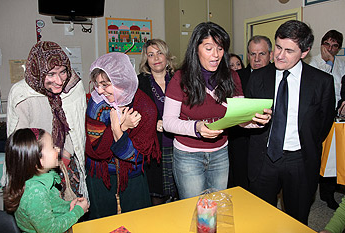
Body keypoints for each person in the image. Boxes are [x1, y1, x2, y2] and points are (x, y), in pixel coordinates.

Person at [163, 22, 271, 199]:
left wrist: (256, 120)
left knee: (218, 207)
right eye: (208, 48)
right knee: (193, 210)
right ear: (196, 49)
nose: (216, 55)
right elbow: (168, 122)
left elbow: (238, 117)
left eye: (220, 49)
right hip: (188, 155)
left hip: (220, 153)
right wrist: (197, 128)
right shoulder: (181, 78)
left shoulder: (231, 76)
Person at [245, 20, 335, 224]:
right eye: (278, 47)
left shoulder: (321, 82)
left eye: (288, 50)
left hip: (300, 161)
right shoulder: (257, 78)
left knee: (296, 219)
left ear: (304, 52)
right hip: (264, 159)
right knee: (260, 219)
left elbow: (323, 125)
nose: (279, 55)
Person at [4, 41, 88, 201]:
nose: (59, 80)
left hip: (67, 164)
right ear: (37, 71)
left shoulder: (72, 87)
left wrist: (65, 156)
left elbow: (75, 128)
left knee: (73, 214)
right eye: (50, 74)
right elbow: (21, 145)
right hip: (34, 170)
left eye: (63, 72)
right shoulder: (22, 95)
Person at [85, 52, 161, 219]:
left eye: (105, 84)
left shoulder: (145, 107)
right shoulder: (97, 103)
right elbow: (97, 150)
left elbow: (133, 156)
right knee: (102, 222)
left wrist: (118, 129)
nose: (99, 90)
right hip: (101, 174)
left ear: (122, 81)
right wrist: (123, 126)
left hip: (131, 175)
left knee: (137, 221)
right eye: (96, 84)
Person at [3, 128, 89, 233]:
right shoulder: (36, 192)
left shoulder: (41, 179)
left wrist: (70, 206)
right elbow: (50, 229)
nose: (57, 149)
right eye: (52, 147)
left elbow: (51, 208)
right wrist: (78, 211)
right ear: (37, 159)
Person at [228, 35, 273, 189]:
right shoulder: (237, 77)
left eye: (262, 54)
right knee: (240, 181)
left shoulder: (279, 76)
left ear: (271, 55)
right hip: (240, 138)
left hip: (267, 139)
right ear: (248, 56)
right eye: (253, 54)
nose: (257, 58)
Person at [138, 39, 177, 204]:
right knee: (156, 195)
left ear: (167, 56)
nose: (156, 58)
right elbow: (133, 113)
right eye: (151, 55)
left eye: (160, 53)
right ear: (146, 59)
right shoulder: (139, 83)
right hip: (154, 148)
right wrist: (151, 124)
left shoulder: (179, 79)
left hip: (180, 144)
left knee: (180, 194)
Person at [309, 30, 345, 210]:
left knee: (333, 158)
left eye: (334, 46)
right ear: (321, 44)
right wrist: (328, 64)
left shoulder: (342, 64)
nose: (330, 49)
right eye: (327, 44)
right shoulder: (313, 62)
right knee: (319, 154)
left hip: (337, 118)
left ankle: (328, 193)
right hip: (319, 116)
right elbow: (323, 86)